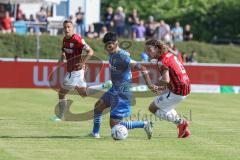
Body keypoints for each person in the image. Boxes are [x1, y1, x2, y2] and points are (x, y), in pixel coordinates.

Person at [90, 32, 154, 139]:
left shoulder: (122, 56)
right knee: (98, 107)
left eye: (110, 45)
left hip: (122, 92)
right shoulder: (113, 53)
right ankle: (95, 133)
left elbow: (142, 68)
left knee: (114, 125)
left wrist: (150, 84)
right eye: (106, 46)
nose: (108, 48)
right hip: (114, 88)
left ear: (116, 43)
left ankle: (144, 124)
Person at [51, 20, 112, 122]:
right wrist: (62, 57)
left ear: (73, 28)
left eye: (69, 27)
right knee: (83, 93)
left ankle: (60, 116)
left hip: (75, 71)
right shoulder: (65, 39)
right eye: (65, 27)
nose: (66, 29)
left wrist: (83, 62)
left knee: (61, 93)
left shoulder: (77, 39)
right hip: (75, 71)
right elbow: (63, 50)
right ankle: (104, 85)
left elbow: (90, 51)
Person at [144, 39, 191, 138]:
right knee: (166, 108)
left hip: (178, 90)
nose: (147, 53)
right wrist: (161, 88)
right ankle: (183, 129)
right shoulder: (168, 54)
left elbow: (166, 79)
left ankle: (181, 123)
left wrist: (154, 85)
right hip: (185, 87)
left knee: (152, 108)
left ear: (156, 49)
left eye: (149, 50)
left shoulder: (162, 61)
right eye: (146, 50)